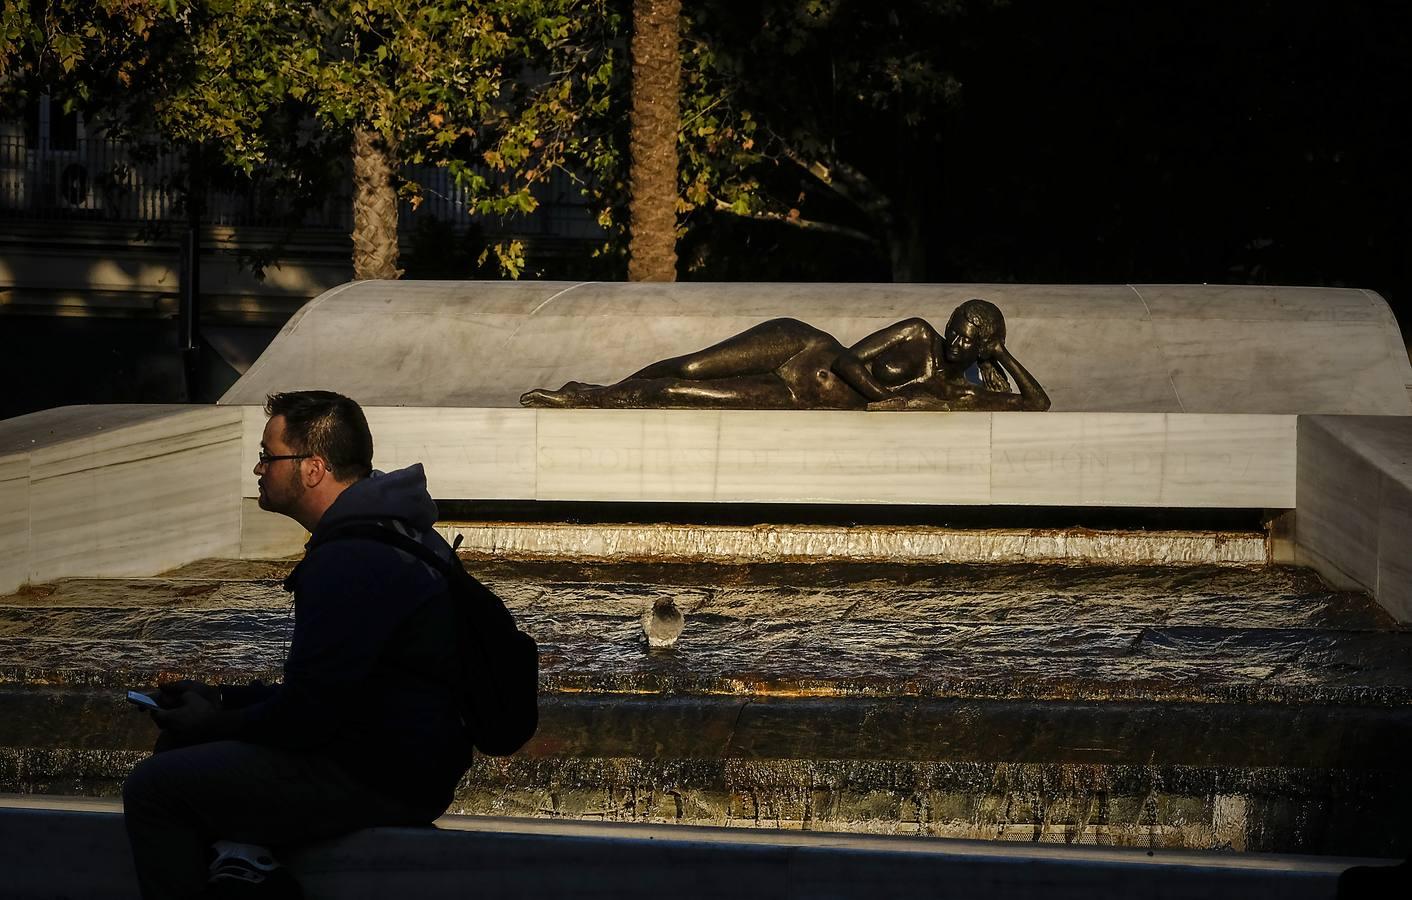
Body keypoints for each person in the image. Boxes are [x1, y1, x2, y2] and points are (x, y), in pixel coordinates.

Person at [122, 390, 473, 900]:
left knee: (154, 789)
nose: (259, 469)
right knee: (187, 745)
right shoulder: (400, 533)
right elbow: (333, 690)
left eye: (269, 455)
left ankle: (247, 871)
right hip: (413, 759)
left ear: (312, 468)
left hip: (380, 776)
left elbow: (307, 718)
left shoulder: (350, 559)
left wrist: (213, 721)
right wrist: (224, 701)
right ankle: (245, 865)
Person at [518, 298, 1050, 412]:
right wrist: (885, 396)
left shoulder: (959, 389)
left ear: (983, 345)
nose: (956, 342)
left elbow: (1038, 403)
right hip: (801, 346)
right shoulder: (917, 334)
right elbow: (847, 361)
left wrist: (1004, 355)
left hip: (797, 393)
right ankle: (588, 392)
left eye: (969, 339)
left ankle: (595, 398)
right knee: (690, 365)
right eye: (956, 328)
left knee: (684, 394)